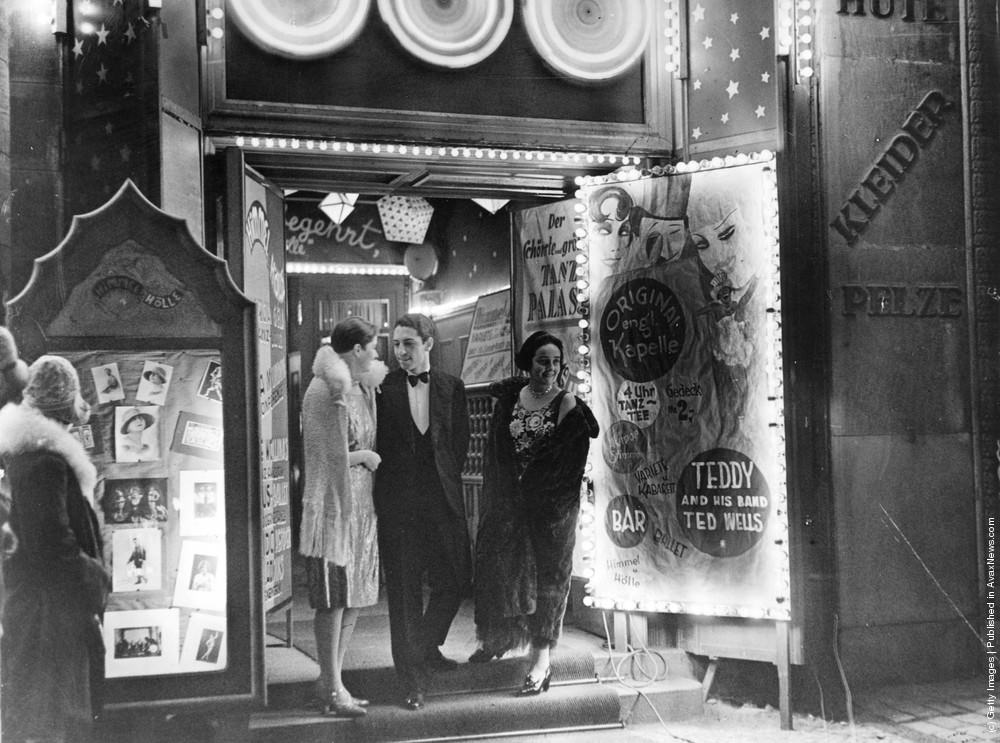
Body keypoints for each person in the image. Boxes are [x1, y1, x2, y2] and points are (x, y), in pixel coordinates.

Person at [471, 331, 599, 696]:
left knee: (548, 582)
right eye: (543, 361)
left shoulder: (567, 403)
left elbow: (571, 463)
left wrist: (549, 502)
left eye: (556, 362)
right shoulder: (509, 401)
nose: (550, 369)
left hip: (551, 512)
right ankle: (498, 639)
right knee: (501, 572)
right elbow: (495, 455)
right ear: (529, 363)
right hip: (508, 505)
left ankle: (541, 663)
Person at [0, 354, 110, 743]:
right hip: (49, 619)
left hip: (38, 611)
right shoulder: (43, 461)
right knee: (53, 720)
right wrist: (95, 578)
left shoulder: (27, 454)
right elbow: (53, 546)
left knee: (43, 719)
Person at [374, 313, 470, 711]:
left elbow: (459, 443)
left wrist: (441, 482)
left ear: (428, 344)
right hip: (399, 508)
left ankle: (426, 645)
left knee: (457, 578)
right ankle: (411, 679)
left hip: (442, 503)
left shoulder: (452, 386)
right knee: (404, 594)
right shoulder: (382, 388)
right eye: (396, 344)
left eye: (408, 344)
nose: (400, 352)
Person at [299, 318, 387, 718]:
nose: (377, 354)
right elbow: (322, 455)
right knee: (333, 597)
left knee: (354, 597)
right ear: (357, 349)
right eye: (373, 347)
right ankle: (332, 686)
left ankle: (332, 681)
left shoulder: (358, 386)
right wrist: (363, 456)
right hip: (333, 506)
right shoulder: (325, 389)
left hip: (360, 505)